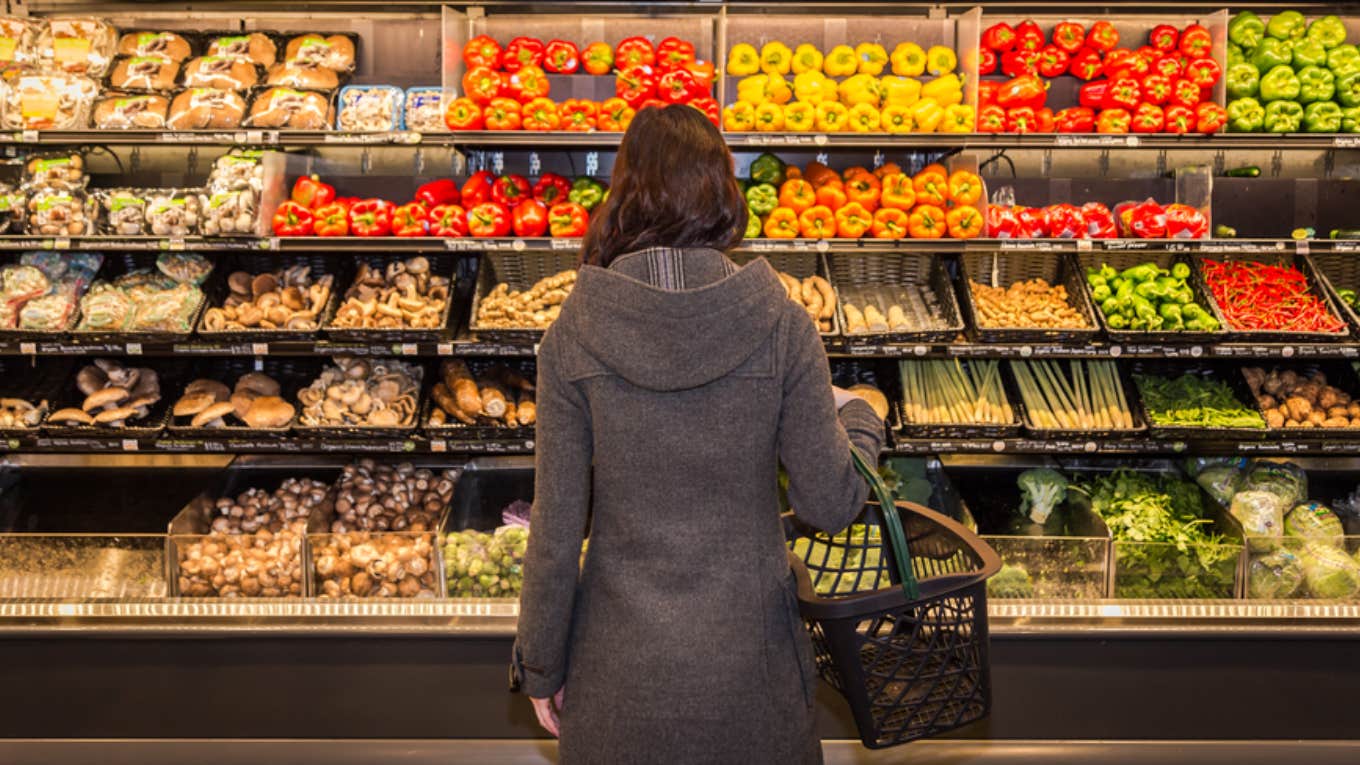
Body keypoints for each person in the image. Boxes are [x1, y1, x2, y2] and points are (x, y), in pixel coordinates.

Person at [513, 104, 884, 764]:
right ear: (724, 190)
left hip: (616, 682)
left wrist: (540, 665)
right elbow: (830, 502)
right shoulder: (783, 325)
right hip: (754, 682)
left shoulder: (571, 333)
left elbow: (556, 527)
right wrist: (860, 418)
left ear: (623, 192)